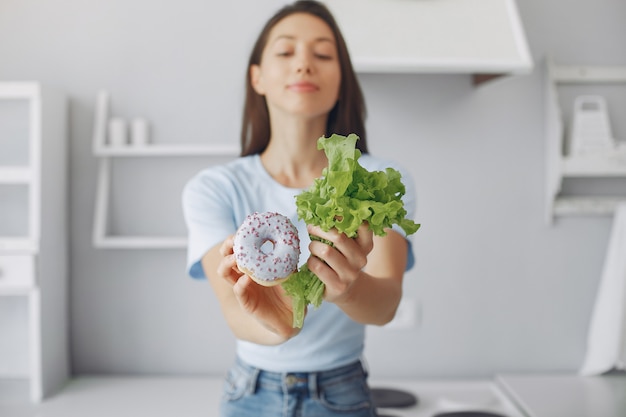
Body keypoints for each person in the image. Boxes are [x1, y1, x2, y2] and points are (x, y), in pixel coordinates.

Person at [182, 1, 416, 416]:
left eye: (323, 54)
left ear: (341, 81)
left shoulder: (377, 182)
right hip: (249, 392)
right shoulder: (215, 188)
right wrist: (279, 326)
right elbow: (235, 312)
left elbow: (386, 305)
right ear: (257, 76)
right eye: (286, 52)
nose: (304, 65)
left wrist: (349, 287)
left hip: (342, 393)